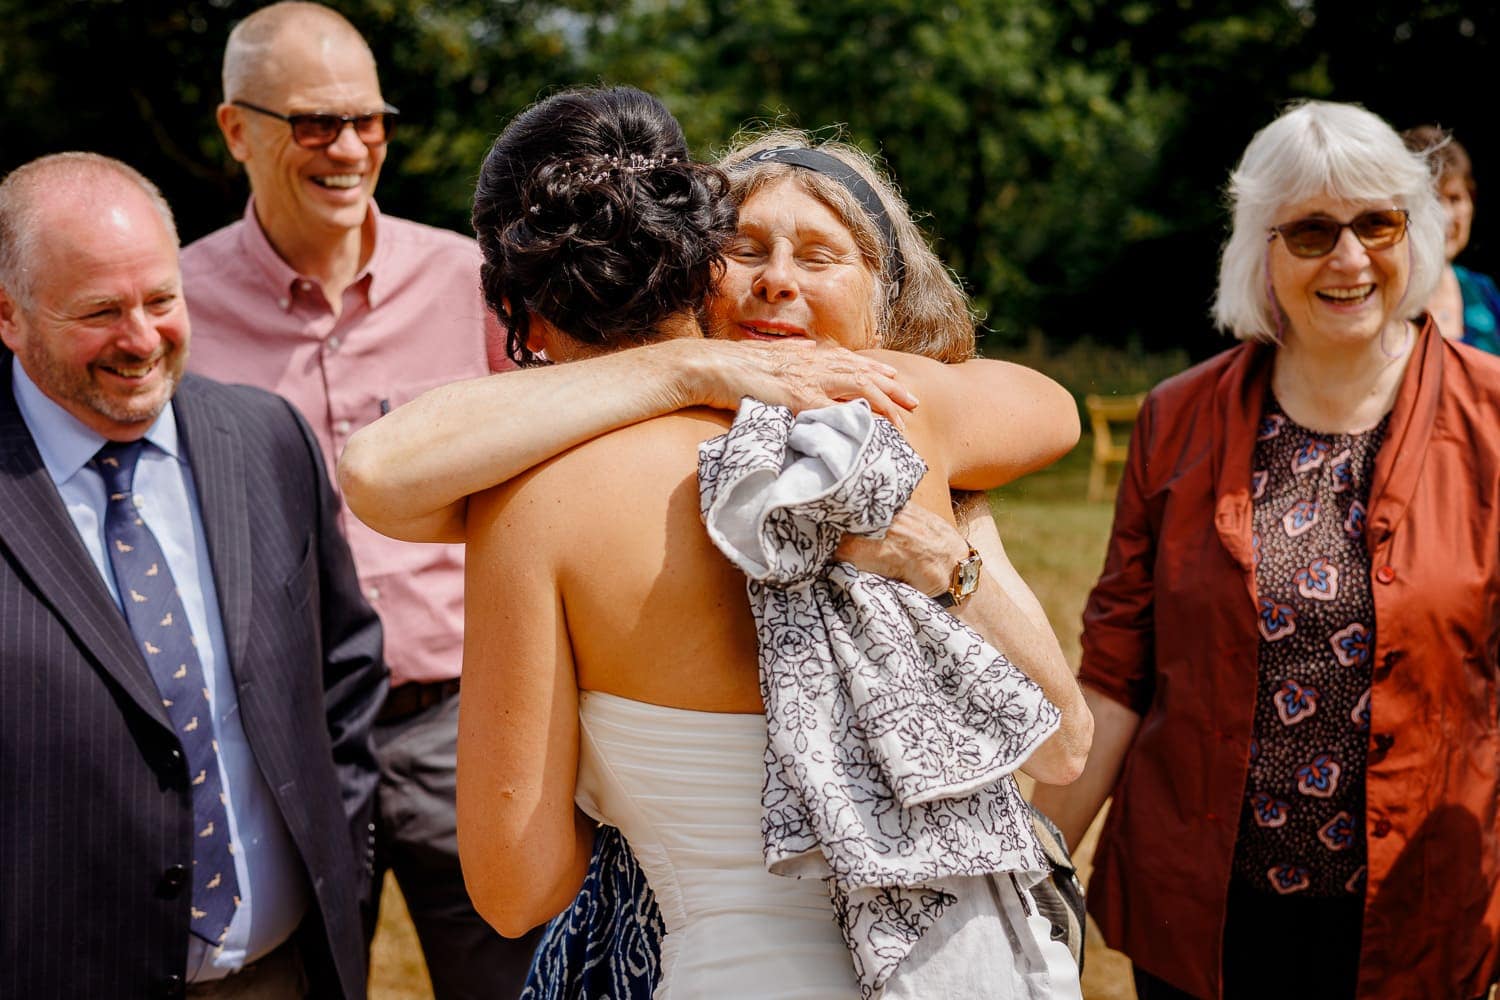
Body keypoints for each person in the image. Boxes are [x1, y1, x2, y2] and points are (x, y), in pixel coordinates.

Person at [338, 126, 1091, 996]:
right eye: (744, 248)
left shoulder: (904, 420)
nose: (777, 279)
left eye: (821, 256)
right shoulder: (908, 428)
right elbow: (380, 471)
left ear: (888, 299)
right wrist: (693, 369)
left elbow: (518, 886)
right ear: (690, 268)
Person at [1030, 100, 1500, 1000]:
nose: (1351, 258)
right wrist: (1020, 869)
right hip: (1206, 919)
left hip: (1416, 914)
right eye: (1314, 230)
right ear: (1263, 251)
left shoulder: (1492, 419)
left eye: (1378, 222)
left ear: (1417, 229)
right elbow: (1117, 675)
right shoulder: (1177, 419)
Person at [178, 4, 533, 996]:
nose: (349, 147)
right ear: (236, 130)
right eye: (314, 123)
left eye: (368, 120)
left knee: (515, 976)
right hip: (279, 732)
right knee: (301, 979)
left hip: (460, 719)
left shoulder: (469, 279)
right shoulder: (171, 310)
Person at [0, 152, 387, 998]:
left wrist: (343, 867)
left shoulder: (266, 437)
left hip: (283, 973)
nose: (141, 339)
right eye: (100, 311)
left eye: (162, 300)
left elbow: (346, 676)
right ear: (9, 316)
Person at [1402, 125, 1500, 353]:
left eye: (1455, 199)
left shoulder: (1483, 290)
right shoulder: (1384, 299)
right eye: (1431, 200)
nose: (1444, 216)